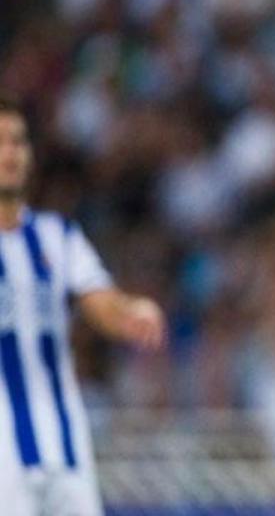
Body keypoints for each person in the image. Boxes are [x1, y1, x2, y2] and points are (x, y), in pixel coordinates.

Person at [0, 98, 166, 516]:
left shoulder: (58, 236)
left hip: (65, 446)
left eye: (18, 141)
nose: (10, 153)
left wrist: (131, 311)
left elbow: (100, 299)